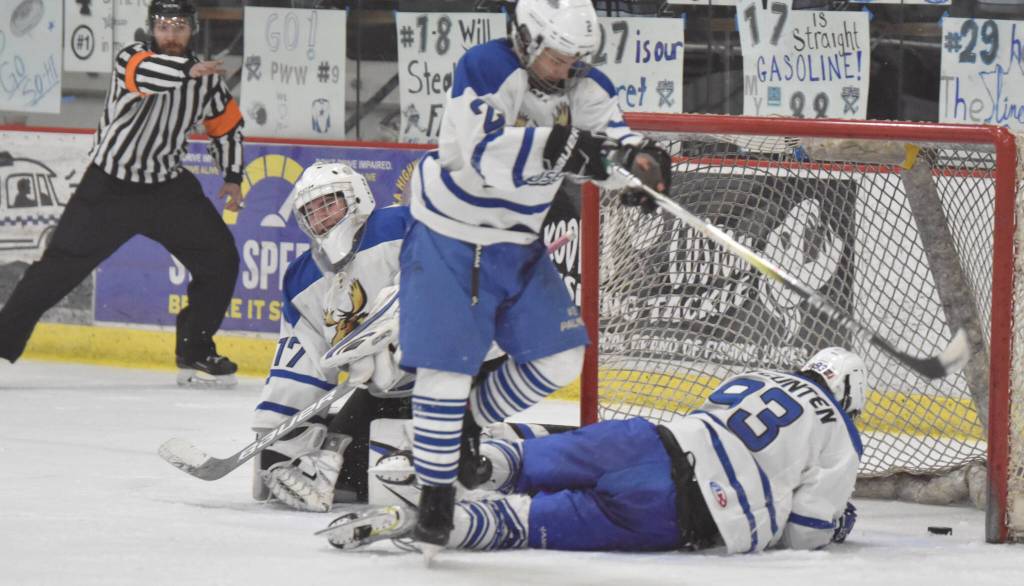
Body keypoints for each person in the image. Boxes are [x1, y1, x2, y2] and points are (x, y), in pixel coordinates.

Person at [398, 0, 672, 551]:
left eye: (575, 59)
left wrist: (638, 166)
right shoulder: (484, 66)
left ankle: (469, 425)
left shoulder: (582, 83)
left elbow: (608, 139)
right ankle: (434, 493)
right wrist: (566, 148)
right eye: (555, 57)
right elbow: (478, 154)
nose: (564, 69)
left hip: (517, 245)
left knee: (562, 356)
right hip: (450, 236)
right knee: (446, 370)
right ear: (524, 38)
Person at [321, 347, 866, 554]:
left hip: (646, 440)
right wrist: (836, 524)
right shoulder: (840, 428)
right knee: (527, 522)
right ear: (850, 395)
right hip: (679, 509)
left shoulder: (759, 375)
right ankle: (437, 524)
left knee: (526, 462)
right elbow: (805, 532)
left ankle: (456, 461)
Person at [0, 0, 244, 388]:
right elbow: (148, 75)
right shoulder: (133, 57)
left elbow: (226, 126)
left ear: (192, 30)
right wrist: (189, 69)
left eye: (180, 26)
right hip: (109, 188)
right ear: (152, 28)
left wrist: (232, 175)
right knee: (54, 272)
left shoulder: (207, 80)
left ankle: (194, 351)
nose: (172, 33)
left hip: (167, 188)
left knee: (221, 260)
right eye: (164, 26)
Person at [252, 161, 413, 512]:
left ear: (358, 197)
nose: (321, 218)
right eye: (310, 211)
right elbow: (302, 357)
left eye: (329, 203)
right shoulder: (303, 279)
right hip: (381, 392)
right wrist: (276, 432)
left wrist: (396, 337)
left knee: (431, 471)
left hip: (448, 380)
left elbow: (441, 279)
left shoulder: (399, 225)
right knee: (347, 474)